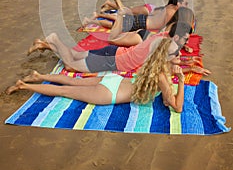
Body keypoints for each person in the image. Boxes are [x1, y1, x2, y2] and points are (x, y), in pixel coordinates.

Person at [7, 38, 185, 112]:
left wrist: (169, 91)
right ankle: (24, 85)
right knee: (65, 91)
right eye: (177, 53)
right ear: (168, 57)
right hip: (110, 93)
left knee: (71, 81)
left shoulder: (154, 66)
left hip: (114, 80)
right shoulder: (162, 75)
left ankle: (39, 76)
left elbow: (166, 98)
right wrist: (182, 81)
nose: (181, 56)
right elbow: (177, 107)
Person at [27, 22, 210, 76]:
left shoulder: (164, 37)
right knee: (70, 65)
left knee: (74, 54)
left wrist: (188, 61)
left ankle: (45, 44)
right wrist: (190, 67)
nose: (187, 40)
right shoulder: (168, 45)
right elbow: (169, 65)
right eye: (186, 36)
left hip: (113, 52)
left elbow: (172, 59)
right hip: (113, 60)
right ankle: (54, 39)